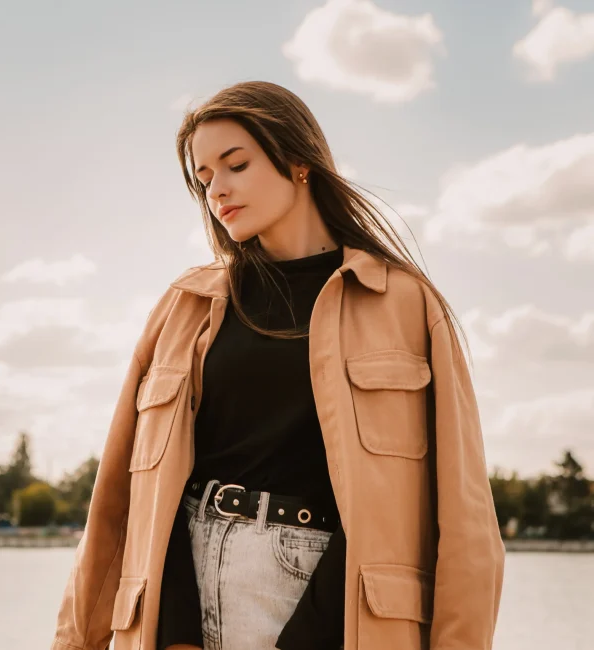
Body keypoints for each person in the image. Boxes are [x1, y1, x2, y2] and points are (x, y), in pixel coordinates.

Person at [50, 80, 505, 650]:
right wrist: (159, 628)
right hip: (182, 594)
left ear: (297, 161)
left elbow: (463, 518)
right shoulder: (185, 306)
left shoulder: (405, 305)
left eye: (234, 164)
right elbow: (121, 496)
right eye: (204, 178)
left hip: (335, 605)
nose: (217, 190)